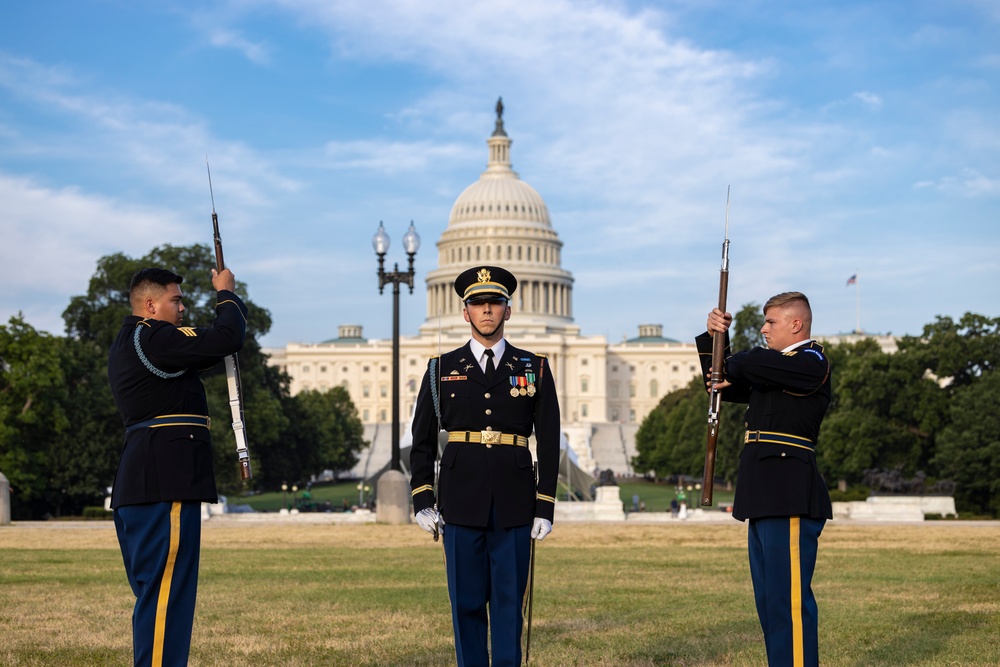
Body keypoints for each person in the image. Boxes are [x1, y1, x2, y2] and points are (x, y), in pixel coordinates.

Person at [409, 265, 560, 667]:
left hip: (515, 501)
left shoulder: (535, 367)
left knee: (510, 606)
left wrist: (545, 505)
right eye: (478, 304)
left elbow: (547, 439)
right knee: (466, 605)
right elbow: (421, 439)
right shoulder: (440, 369)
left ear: (508, 310)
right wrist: (422, 497)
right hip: (460, 499)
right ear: (466, 312)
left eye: (494, 303)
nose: (487, 311)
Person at [108, 266, 247, 667]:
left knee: (157, 595)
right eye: (176, 300)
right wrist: (225, 294)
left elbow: (209, 350)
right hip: (164, 480)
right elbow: (226, 338)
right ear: (150, 305)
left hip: (144, 480)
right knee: (168, 596)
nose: (183, 308)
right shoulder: (154, 338)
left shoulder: (135, 342)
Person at [697, 291, 833, 667]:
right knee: (770, 602)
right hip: (762, 491)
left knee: (788, 602)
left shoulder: (810, 361)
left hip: (788, 490)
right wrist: (714, 339)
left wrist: (734, 355)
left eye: (770, 322)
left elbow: (750, 363)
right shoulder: (774, 368)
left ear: (796, 324)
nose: (764, 329)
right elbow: (720, 379)